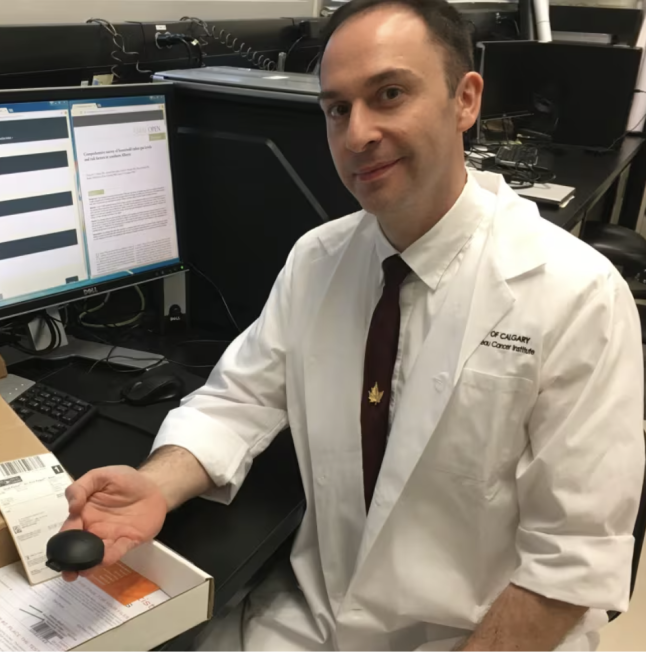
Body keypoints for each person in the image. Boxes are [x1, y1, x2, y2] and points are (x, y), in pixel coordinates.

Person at [59, 0, 646, 650]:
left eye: (389, 94)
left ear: (465, 99)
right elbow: (239, 398)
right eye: (337, 108)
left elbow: (570, 562)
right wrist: (156, 485)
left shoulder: (576, 295)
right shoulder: (320, 260)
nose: (357, 133)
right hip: (311, 620)